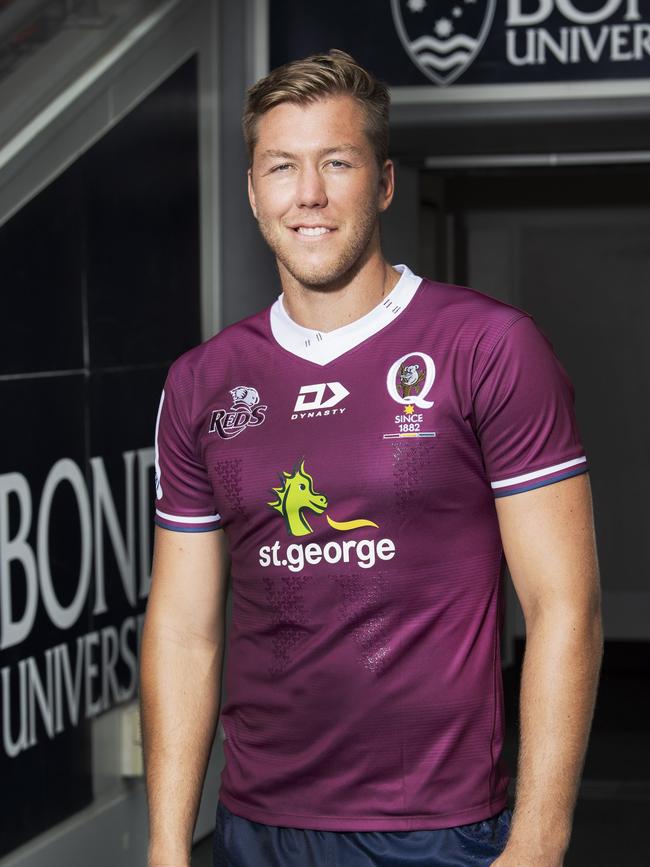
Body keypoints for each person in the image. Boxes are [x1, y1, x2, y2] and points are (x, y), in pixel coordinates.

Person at [139, 50, 603, 867]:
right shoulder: (201, 382)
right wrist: (169, 845)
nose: (308, 193)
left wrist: (538, 841)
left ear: (383, 182)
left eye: (337, 162)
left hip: (439, 829)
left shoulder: (488, 347)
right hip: (257, 827)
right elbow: (183, 629)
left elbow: (565, 603)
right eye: (281, 167)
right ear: (253, 191)